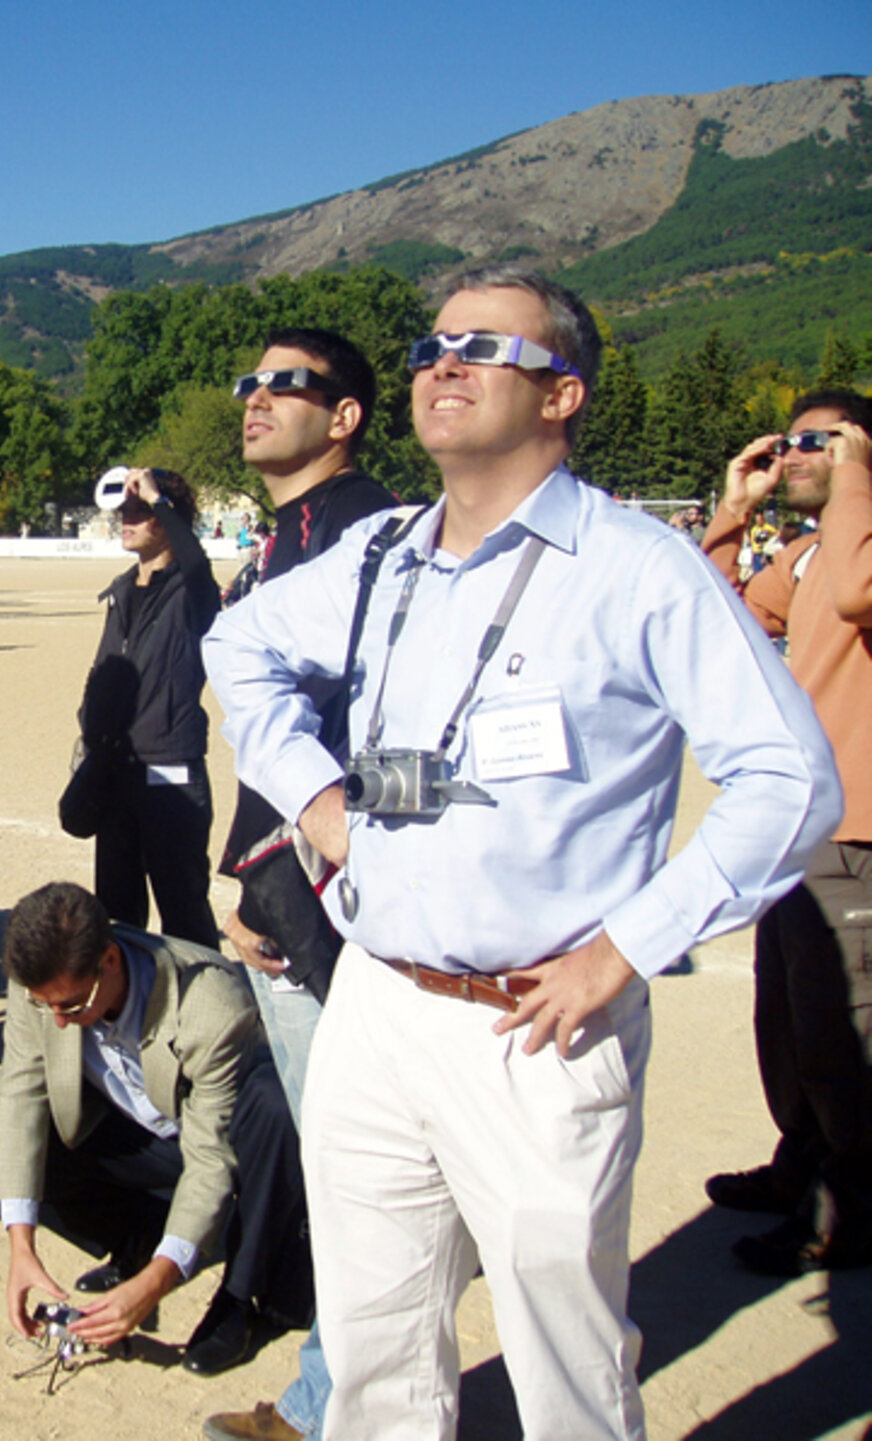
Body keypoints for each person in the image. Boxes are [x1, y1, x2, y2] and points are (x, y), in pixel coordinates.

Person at [203, 266, 840, 1440]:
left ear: (562, 395)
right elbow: (237, 644)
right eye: (434, 342)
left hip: (537, 1025)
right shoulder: (388, 552)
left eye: (486, 348)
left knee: (565, 1365)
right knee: (377, 1344)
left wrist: (628, 948)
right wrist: (316, 795)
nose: (443, 362)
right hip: (377, 1002)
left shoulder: (637, 567)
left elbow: (790, 782)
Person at [202, 329, 397, 1441]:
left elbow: (360, 741)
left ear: (347, 415)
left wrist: (291, 861)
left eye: (290, 384)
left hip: (336, 904)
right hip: (277, 894)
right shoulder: (281, 542)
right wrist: (237, 874)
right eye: (251, 382)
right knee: (341, 1162)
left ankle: (333, 1405)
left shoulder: (371, 539)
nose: (258, 398)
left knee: (364, 1172)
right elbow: (263, 742)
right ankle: (334, 1394)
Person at [0, 882, 313, 1375]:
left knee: (273, 1107)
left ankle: (243, 1299)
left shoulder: (210, 1006)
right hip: (139, 1128)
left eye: (71, 1006)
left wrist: (158, 1284)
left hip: (220, 1134)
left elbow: (209, 1157)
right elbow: (19, 1095)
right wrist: (21, 1244)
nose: (57, 1022)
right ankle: (139, 1237)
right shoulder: (43, 983)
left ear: (110, 962)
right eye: (46, 1006)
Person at [701, 388, 872, 1277]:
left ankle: (851, 1209)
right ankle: (799, 1165)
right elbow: (713, 618)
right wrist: (736, 512)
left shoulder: (851, 547)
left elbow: (859, 591)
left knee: (847, 1037)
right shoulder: (806, 553)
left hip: (863, 839)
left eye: (821, 440)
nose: (797, 453)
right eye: (791, 439)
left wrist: (853, 482)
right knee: (789, 1023)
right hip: (802, 830)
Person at [77, 467, 219, 948]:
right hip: (116, 770)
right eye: (125, 512)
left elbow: (198, 564)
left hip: (170, 770)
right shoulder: (120, 591)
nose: (127, 520)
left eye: (140, 512)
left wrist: (160, 498)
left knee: (185, 913)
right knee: (117, 917)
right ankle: (130, 1020)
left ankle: (209, 1018)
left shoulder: (191, 590)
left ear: (167, 517)